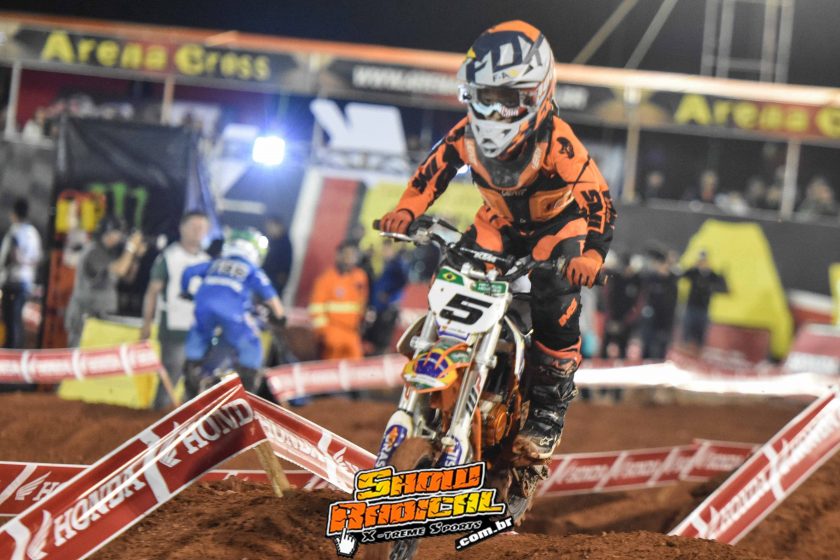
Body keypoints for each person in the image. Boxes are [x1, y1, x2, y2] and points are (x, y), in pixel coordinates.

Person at [378, 21, 616, 482]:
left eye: (507, 99)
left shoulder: (557, 140)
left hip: (556, 229)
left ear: (537, 93)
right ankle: (441, 367)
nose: (493, 110)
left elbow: (599, 200)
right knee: (451, 279)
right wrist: (406, 210)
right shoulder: (465, 133)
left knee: (556, 297)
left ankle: (547, 411)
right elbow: (432, 172)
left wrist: (591, 256)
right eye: (484, 97)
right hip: (498, 225)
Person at [181, 228, 285, 397]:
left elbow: (188, 272)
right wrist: (281, 317)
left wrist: (185, 292)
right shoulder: (251, 268)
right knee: (251, 345)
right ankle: (246, 391)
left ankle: (192, 375)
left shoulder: (215, 263)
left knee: (198, 336)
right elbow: (270, 296)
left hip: (203, 306)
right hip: (234, 313)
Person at [141, 211, 211, 409]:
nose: (198, 231)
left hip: (198, 331)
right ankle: (159, 418)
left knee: (195, 382)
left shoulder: (207, 260)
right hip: (174, 329)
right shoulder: (169, 257)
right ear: (182, 228)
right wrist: (146, 324)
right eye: (194, 226)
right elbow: (152, 292)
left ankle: (189, 422)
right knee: (170, 378)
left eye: (202, 228)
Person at [65, 216, 146, 347]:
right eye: (119, 233)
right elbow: (120, 270)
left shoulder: (109, 253)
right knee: (80, 355)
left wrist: (136, 256)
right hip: (85, 319)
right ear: (108, 233)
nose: (121, 237)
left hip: (99, 320)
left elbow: (128, 278)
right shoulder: (94, 251)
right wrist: (131, 247)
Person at [309, 241, 369, 361]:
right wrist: (323, 332)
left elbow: (362, 303)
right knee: (332, 366)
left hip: (352, 333)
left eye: (353, 256)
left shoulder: (360, 277)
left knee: (356, 364)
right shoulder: (326, 279)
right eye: (347, 255)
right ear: (339, 256)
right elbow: (316, 308)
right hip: (332, 331)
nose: (349, 259)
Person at [0, 198, 43, 348]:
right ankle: (17, 351)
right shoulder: (33, 233)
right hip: (26, 281)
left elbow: (10, 257)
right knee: (17, 319)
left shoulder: (15, 232)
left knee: (9, 320)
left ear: (14, 214)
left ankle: (10, 351)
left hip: (12, 281)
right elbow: (37, 258)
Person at [364, 240, 411, 355]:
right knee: (373, 339)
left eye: (387, 249)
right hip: (378, 308)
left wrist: (390, 297)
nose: (384, 252)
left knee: (383, 341)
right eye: (383, 249)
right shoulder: (384, 264)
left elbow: (404, 281)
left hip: (388, 308)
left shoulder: (397, 264)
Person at [681, 251, 728, 352]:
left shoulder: (712, 275)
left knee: (700, 333)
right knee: (688, 331)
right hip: (691, 306)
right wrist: (693, 266)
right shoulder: (694, 273)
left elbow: (724, 289)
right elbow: (683, 275)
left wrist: (723, 276)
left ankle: (698, 350)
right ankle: (685, 348)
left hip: (704, 308)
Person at [600, 254, 642, 360]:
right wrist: (610, 318)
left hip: (626, 320)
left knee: (624, 346)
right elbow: (608, 298)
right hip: (613, 318)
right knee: (605, 345)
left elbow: (638, 302)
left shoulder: (636, 281)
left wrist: (627, 320)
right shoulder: (615, 279)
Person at [638, 251, 679, 360]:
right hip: (650, 316)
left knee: (661, 345)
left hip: (665, 318)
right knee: (647, 344)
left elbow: (672, 303)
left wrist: (669, 322)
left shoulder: (672, 281)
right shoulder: (650, 278)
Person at [262, 215, 293, 297]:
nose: (268, 230)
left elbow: (286, 263)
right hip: (267, 277)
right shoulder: (272, 241)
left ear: (278, 226)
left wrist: (281, 279)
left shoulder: (285, 243)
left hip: (275, 280)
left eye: (270, 227)